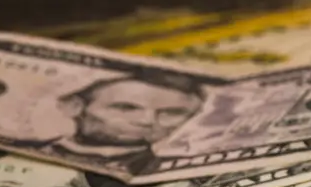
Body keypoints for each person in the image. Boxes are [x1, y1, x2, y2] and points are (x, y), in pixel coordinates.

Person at [39, 72, 206, 177]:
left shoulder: (181, 171)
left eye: (172, 113)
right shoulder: (32, 151)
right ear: (74, 106)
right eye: (126, 108)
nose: (147, 121)